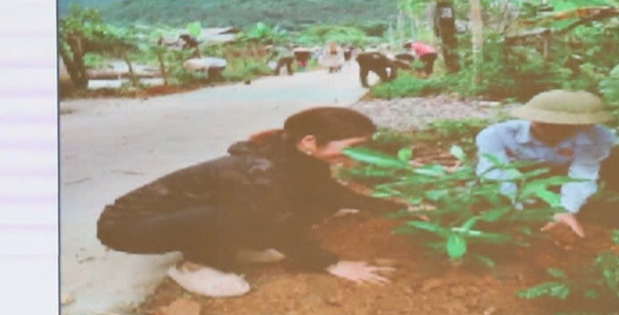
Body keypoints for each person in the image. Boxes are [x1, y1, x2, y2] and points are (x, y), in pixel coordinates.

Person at [95, 105, 397, 299]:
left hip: (186, 212)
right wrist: (332, 264)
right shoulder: (261, 172)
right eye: (354, 147)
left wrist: (391, 208)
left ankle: (238, 244)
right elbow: (279, 227)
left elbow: (330, 193)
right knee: (236, 215)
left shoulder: (297, 158)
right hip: (128, 225)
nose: (359, 155)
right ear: (309, 142)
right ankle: (194, 266)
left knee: (308, 202)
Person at [475, 91, 617, 240]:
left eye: (565, 127)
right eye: (543, 124)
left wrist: (566, 210)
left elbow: (583, 174)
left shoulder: (599, 137)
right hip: (518, 172)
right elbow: (496, 174)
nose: (552, 130)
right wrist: (513, 210)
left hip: (559, 173)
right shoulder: (495, 135)